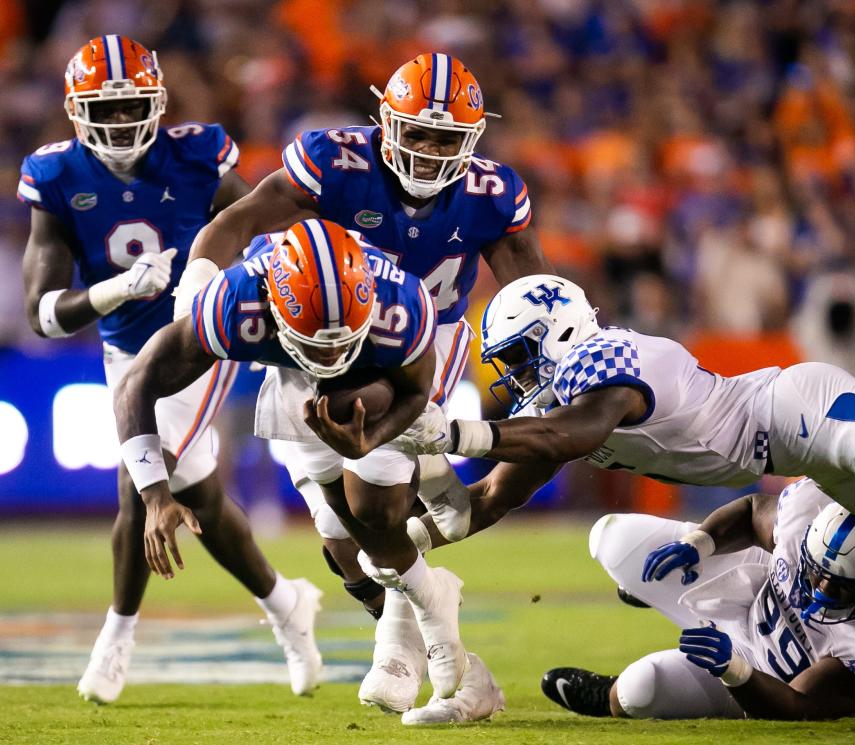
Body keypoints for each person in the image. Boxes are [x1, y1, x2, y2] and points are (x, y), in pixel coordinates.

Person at [170, 53, 552, 714]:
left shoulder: (491, 193)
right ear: (385, 122)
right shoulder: (336, 162)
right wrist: (198, 284)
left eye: (447, 138)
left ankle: (410, 641)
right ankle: (415, 618)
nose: (431, 152)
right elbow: (244, 217)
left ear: (473, 138)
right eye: (420, 133)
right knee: (342, 540)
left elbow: (534, 290)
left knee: (378, 509)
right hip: (321, 345)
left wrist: (553, 362)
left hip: (417, 349)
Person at [19, 36, 318, 704]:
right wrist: (115, 290)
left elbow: (258, 222)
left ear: (156, 101)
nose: (123, 121)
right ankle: (285, 603)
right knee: (200, 494)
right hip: (124, 341)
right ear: (77, 109)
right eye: (109, 106)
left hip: (201, 330)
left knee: (141, 477)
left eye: (133, 105)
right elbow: (43, 316)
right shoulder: (56, 175)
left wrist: (254, 281)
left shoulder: (195, 153)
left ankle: (116, 636)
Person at [113, 217, 471, 702]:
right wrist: (155, 496)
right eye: (317, 344)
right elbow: (137, 383)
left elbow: (413, 390)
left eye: (337, 341)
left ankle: (420, 617)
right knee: (339, 535)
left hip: (375, 371)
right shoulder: (234, 303)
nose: (329, 357)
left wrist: (372, 439)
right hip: (288, 371)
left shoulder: (401, 305)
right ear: (273, 311)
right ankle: (426, 597)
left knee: (379, 510)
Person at [397, 273, 855, 558]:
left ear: (559, 330)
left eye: (519, 355)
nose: (515, 376)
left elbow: (578, 431)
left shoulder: (604, 357)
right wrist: (404, 542)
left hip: (800, 413)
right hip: (803, 455)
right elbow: (495, 497)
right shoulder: (552, 410)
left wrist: (454, 434)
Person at [539, 478, 855, 720]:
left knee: (639, 690)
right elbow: (750, 512)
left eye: (842, 587)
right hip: (753, 584)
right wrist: (700, 543)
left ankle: (608, 694)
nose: (821, 592)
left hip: (768, 672)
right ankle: (675, 590)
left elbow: (798, 705)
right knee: (610, 536)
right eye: (817, 574)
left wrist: (733, 670)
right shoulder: (809, 511)